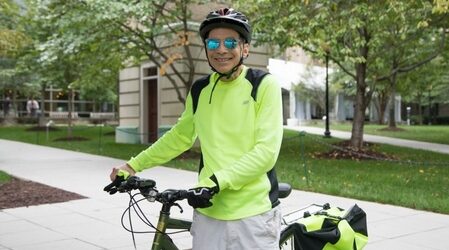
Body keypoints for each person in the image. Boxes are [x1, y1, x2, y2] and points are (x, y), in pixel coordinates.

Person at [106, 7, 284, 250]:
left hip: (253, 214)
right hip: (209, 210)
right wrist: (132, 165)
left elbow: (266, 152)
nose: (221, 49)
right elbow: (180, 136)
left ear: (245, 48)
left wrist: (215, 182)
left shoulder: (262, 84)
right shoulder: (200, 90)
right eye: (213, 44)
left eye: (230, 42)